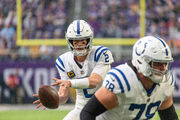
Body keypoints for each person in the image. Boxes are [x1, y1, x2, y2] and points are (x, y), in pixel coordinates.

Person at [80, 36, 179, 120]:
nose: (163, 68)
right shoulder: (122, 81)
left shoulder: (165, 84)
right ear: (141, 61)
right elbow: (87, 113)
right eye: (157, 63)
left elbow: (170, 118)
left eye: (165, 64)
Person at [33, 19, 114, 120]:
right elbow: (64, 96)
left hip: (106, 106)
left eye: (83, 41)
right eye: (75, 41)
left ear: (89, 40)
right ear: (70, 41)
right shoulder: (63, 61)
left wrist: (70, 83)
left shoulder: (101, 53)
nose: (79, 44)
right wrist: (53, 99)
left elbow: (94, 81)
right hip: (82, 107)